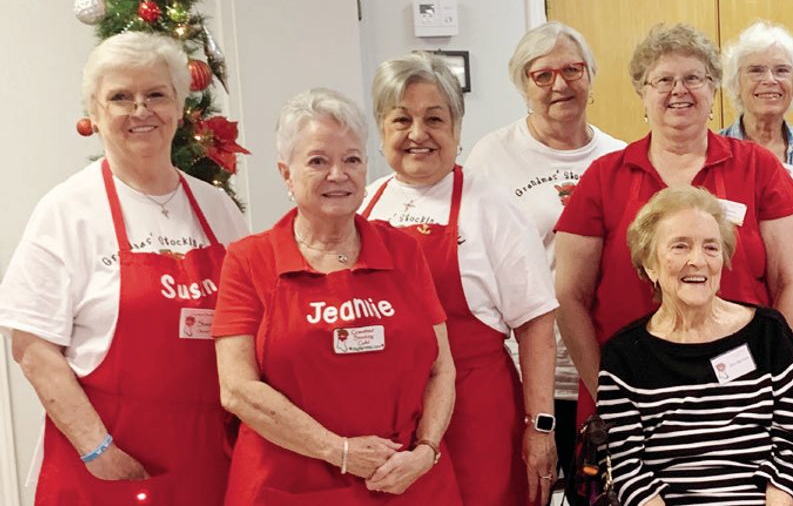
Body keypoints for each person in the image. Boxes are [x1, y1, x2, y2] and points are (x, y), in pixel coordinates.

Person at [0, 32, 247, 504]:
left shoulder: (219, 209)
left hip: (208, 461)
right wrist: (98, 450)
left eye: (156, 94)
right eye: (120, 97)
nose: (141, 111)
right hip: (104, 462)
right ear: (94, 114)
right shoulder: (67, 210)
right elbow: (32, 348)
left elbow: (249, 329)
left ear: (179, 107)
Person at [212, 89, 460, 505]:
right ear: (286, 174)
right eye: (317, 161)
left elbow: (442, 369)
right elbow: (236, 388)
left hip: (405, 481)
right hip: (289, 485)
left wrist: (426, 450)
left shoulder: (403, 252)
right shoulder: (249, 260)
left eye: (351, 159)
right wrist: (337, 450)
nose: (338, 174)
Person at [555, 23, 793, 427]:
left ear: (713, 91)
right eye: (664, 80)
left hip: (745, 390)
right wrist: (606, 390)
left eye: (694, 78)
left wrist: (778, 380)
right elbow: (569, 296)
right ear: (642, 92)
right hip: (633, 394)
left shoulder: (759, 169)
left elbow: (791, 282)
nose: (679, 91)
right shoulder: (605, 177)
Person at [361, 53, 558, 506]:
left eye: (434, 118)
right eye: (401, 119)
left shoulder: (491, 206)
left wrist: (539, 426)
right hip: (388, 418)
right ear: (381, 129)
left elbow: (535, 325)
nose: (417, 134)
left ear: (457, 127)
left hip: (476, 411)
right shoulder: (363, 206)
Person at [464, 21, 625, 502]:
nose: (561, 84)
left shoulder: (618, 155)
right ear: (523, 85)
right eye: (542, 75)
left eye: (573, 69)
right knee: (531, 491)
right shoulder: (492, 158)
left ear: (591, 77)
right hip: (528, 369)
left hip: (603, 366)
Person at [597, 186, 793, 506]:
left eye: (711, 248)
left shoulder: (768, 334)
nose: (697, 261)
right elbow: (627, 467)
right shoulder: (625, 355)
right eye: (680, 246)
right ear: (650, 265)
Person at [720, 20, 793, 203]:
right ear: (736, 82)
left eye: (782, 70)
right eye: (756, 70)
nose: (770, 80)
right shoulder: (714, 152)